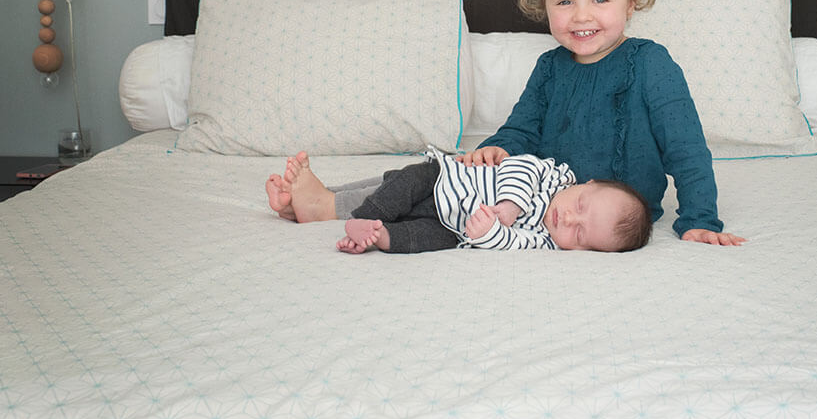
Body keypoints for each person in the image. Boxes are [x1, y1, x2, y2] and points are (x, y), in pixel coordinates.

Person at [460, 0, 745, 246]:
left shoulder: (651, 63)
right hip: (548, 213)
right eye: (565, 2)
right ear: (546, 6)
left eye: (600, 0)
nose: (582, 16)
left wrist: (699, 219)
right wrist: (497, 148)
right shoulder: (549, 67)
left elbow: (686, 149)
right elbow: (522, 130)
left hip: (627, 221)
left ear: (631, 3)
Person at [265, 148, 652, 254]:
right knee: (399, 185)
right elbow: (521, 167)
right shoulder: (553, 175)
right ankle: (326, 207)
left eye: (581, 236)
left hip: (451, 226)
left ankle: (376, 235)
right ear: (585, 183)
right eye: (580, 206)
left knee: (423, 241)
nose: (568, 220)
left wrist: (488, 234)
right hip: (441, 183)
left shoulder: (546, 240)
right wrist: (511, 207)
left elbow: (513, 243)